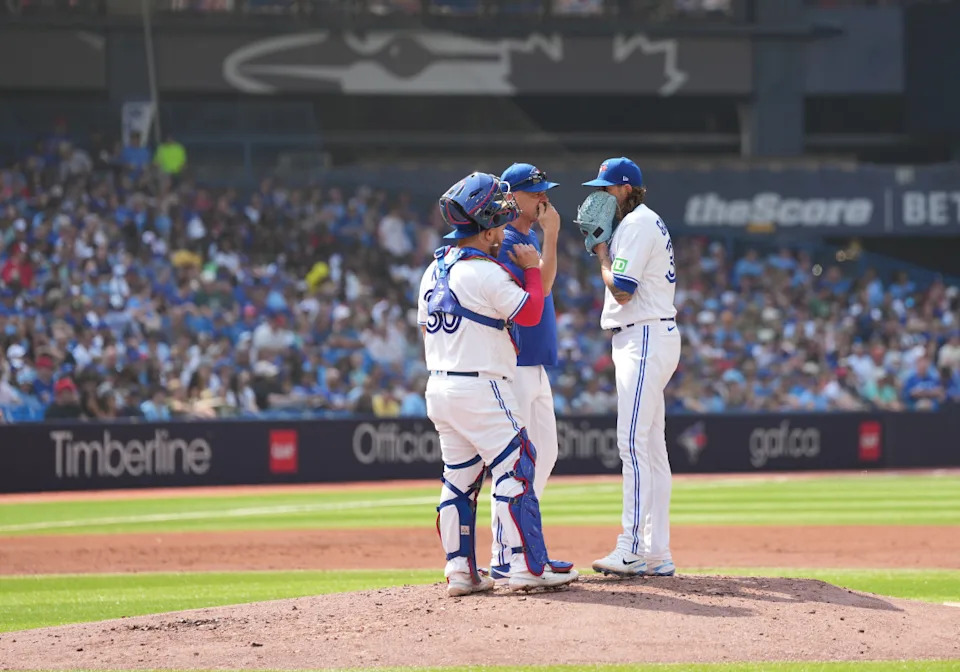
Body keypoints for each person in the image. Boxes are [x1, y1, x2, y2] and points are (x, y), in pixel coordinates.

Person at [417, 171, 579, 597]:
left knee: (459, 480)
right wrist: (529, 267)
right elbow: (528, 313)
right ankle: (526, 565)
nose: (502, 230)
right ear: (487, 227)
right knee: (517, 467)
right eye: (499, 224)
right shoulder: (483, 271)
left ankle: (461, 572)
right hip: (480, 384)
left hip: (439, 385)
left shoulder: (432, 272)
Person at [582, 157, 682, 577]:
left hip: (643, 335)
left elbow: (622, 291)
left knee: (633, 444)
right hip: (650, 335)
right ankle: (657, 552)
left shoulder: (638, 223)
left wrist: (602, 255)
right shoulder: (640, 221)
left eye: (606, 189)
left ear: (625, 189)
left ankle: (632, 548)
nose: (600, 197)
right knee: (652, 450)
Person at [487, 162, 567, 580]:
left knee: (546, 454)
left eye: (544, 190)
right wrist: (552, 236)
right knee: (515, 464)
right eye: (534, 192)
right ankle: (505, 553)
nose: (543, 198)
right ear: (511, 196)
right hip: (514, 362)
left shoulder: (528, 237)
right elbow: (545, 287)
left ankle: (524, 545)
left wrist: (546, 238)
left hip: (536, 364)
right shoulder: (506, 240)